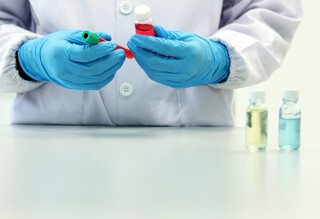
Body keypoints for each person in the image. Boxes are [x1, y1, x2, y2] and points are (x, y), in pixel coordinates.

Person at [0, 0, 303, 126]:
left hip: (195, 157)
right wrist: (28, 58)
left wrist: (221, 58)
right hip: (48, 152)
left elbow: (270, 12)